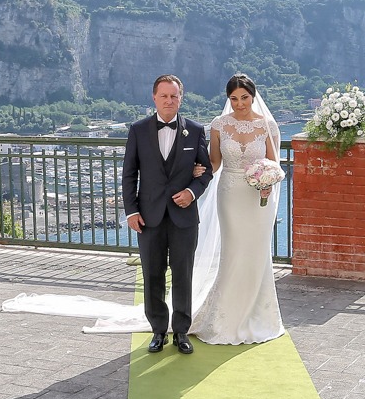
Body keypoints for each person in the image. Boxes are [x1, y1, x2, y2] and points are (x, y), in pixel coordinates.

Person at [189, 73, 285, 345]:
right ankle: (224, 318)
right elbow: (215, 162)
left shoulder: (268, 126)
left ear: (253, 96)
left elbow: (274, 164)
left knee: (256, 253)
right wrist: (199, 169)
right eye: (233, 98)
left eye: (244, 97)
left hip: (258, 199)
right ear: (228, 99)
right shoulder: (219, 124)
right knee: (233, 252)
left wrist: (269, 183)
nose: (239, 103)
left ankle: (257, 315)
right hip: (230, 195)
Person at [121, 74, 212, 353]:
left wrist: (192, 192)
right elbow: (129, 175)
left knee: (183, 274)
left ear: (181, 98)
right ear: (154, 98)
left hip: (184, 218)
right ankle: (158, 330)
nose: (169, 100)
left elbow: (206, 171)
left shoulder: (195, 131)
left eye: (174, 96)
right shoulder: (137, 130)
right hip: (149, 217)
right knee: (152, 274)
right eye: (164, 96)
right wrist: (131, 211)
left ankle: (181, 331)